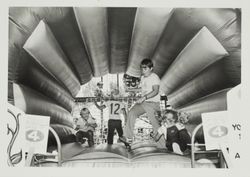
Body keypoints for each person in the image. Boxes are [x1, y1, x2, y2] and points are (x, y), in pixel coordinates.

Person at [123, 58, 161, 143]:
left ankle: (160, 138)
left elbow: (155, 91)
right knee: (132, 112)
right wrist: (131, 90)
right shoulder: (143, 78)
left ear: (151, 68)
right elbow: (142, 89)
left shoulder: (154, 77)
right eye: (141, 68)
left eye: (145, 68)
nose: (143, 70)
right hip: (144, 103)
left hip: (153, 103)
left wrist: (144, 97)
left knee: (153, 119)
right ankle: (128, 137)